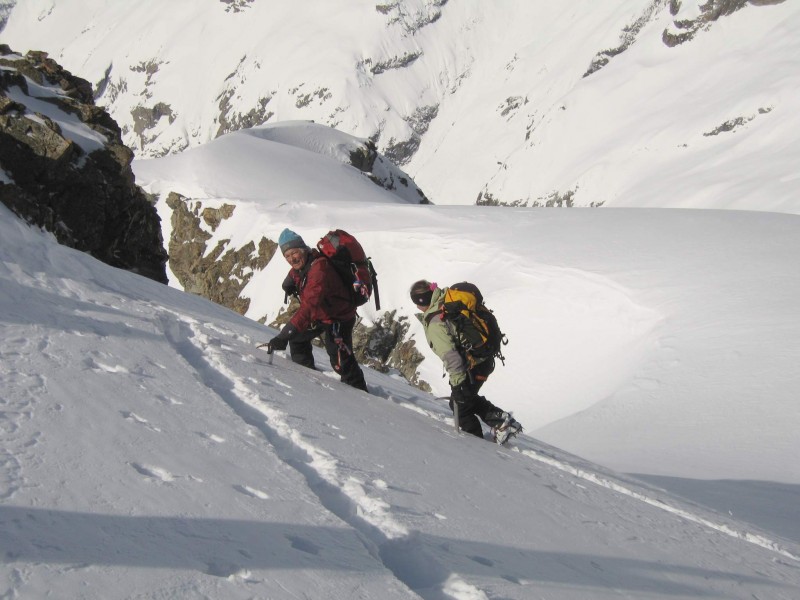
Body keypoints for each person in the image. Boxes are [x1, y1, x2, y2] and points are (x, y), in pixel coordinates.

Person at [410, 279, 522, 444]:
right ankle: (502, 421)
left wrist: (457, 383)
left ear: (421, 302)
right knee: (463, 399)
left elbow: (451, 357)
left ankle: (478, 446)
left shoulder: (435, 322)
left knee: (461, 407)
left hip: (474, 364)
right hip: (482, 359)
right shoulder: (446, 300)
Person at [267, 229, 368, 392]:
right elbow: (296, 272)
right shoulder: (306, 262)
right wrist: (288, 282)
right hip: (322, 314)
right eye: (287, 256)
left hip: (339, 317)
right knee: (298, 340)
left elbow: (309, 308)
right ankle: (310, 385)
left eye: (294, 253)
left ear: (303, 249)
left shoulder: (320, 269)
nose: (292, 258)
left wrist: (283, 336)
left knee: (341, 362)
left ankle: (362, 395)